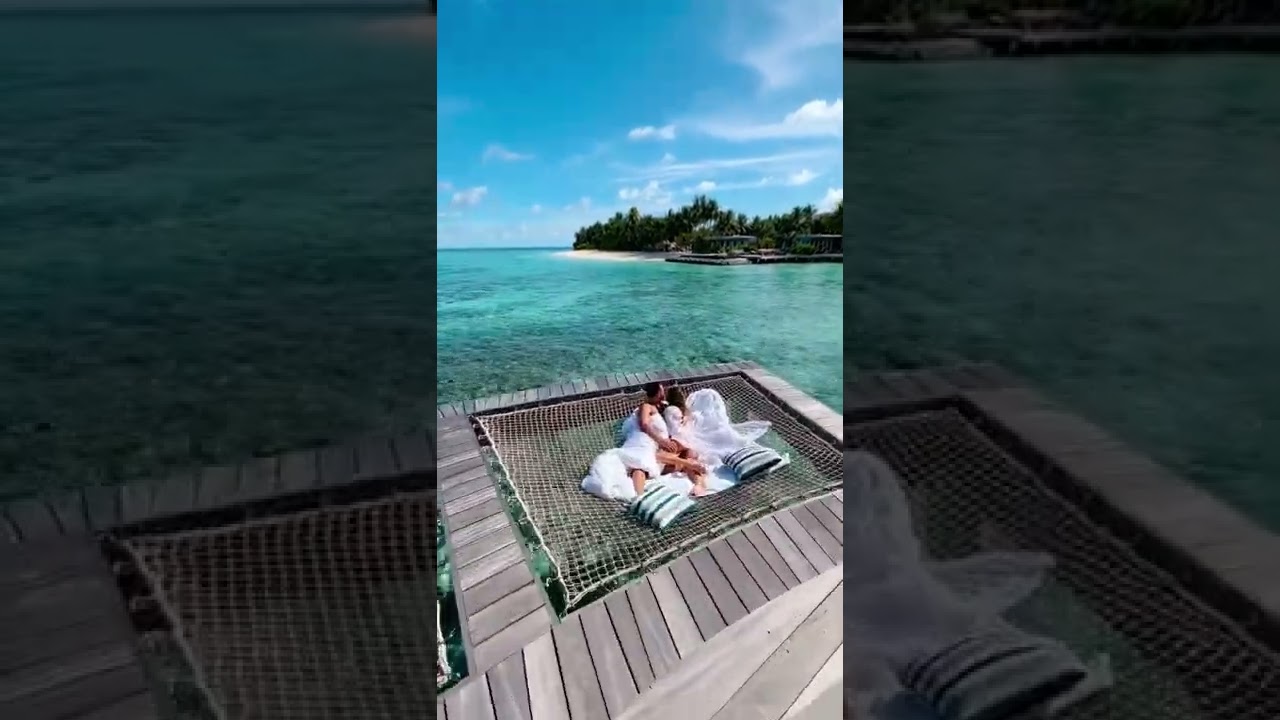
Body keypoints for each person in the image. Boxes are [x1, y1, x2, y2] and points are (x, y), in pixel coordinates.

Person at [621, 382, 708, 496]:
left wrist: (683, 416)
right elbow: (644, 424)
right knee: (642, 465)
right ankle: (639, 496)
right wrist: (661, 441)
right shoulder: (646, 406)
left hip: (663, 451)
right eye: (661, 391)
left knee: (690, 453)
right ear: (657, 393)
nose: (663, 394)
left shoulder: (660, 408)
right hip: (653, 448)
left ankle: (699, 485)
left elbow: (676, 417)